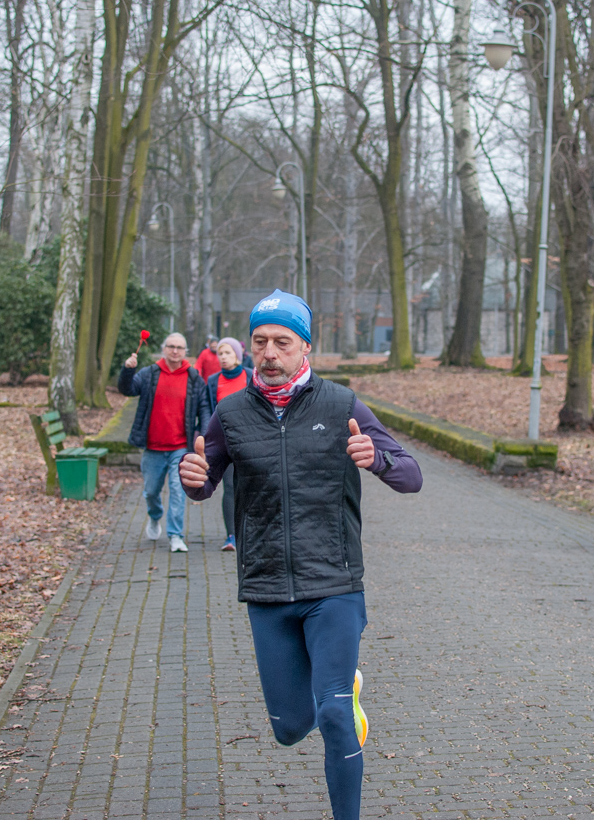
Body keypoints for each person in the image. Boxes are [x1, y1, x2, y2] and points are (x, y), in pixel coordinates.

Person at [180, 289, 421, 820]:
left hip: (333, 584)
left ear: (306, 347)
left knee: (334, 716)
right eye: (260, 341)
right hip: (267, 587)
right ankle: (335, 694)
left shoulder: (342, 405)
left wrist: (377, 458)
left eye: (282, 342)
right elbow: (204, 480)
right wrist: (192, 478)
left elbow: (412, 476)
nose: (269, 353)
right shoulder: (231, 413)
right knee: (290, 728)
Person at [118, 332, 207, 553]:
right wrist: (127, 370)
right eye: (171, 346)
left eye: (179, 347)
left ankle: (176, 535)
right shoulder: (149, 373)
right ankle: (155, 516)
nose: (175, 351)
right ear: (164, 349)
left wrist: (204, 435)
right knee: (151, 492)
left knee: (178, 491)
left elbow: (204, 408)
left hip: (180, 447)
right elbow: (128, 389)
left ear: (185, 351)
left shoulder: (194, 378)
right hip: (153, 447)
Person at [204, 336, 252, 552]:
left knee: (252, 486)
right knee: (230, 487)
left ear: (237, 356)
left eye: (227, 353)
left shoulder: (251, 376)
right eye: (220, 354)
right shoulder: (213, 381)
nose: (223, 357)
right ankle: (231, 536)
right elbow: (208, 410)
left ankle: (249, 532)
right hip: (225, 443)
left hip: (250, 441)